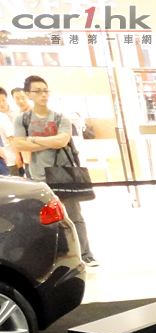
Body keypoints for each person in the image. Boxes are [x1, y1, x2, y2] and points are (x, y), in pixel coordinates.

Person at [10, 75, 97, 264]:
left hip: (63, 172)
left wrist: (33, 139)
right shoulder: (22, 120)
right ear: (29, 94)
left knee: (74, 215)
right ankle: (58, 255)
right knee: (45, 218)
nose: (43, 95)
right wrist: (49, 141)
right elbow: (19, 144)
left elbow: (62, 141)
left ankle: (85, 254)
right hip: (38, 176)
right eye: (38, 91)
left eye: (45, 90)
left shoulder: (60, 118)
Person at [0, 89, 15, 174]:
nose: (1, 103)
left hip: (12, 159)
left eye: (3, 100)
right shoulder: (2, 116)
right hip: (8, 160)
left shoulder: (13, 113)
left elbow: (12, 139)